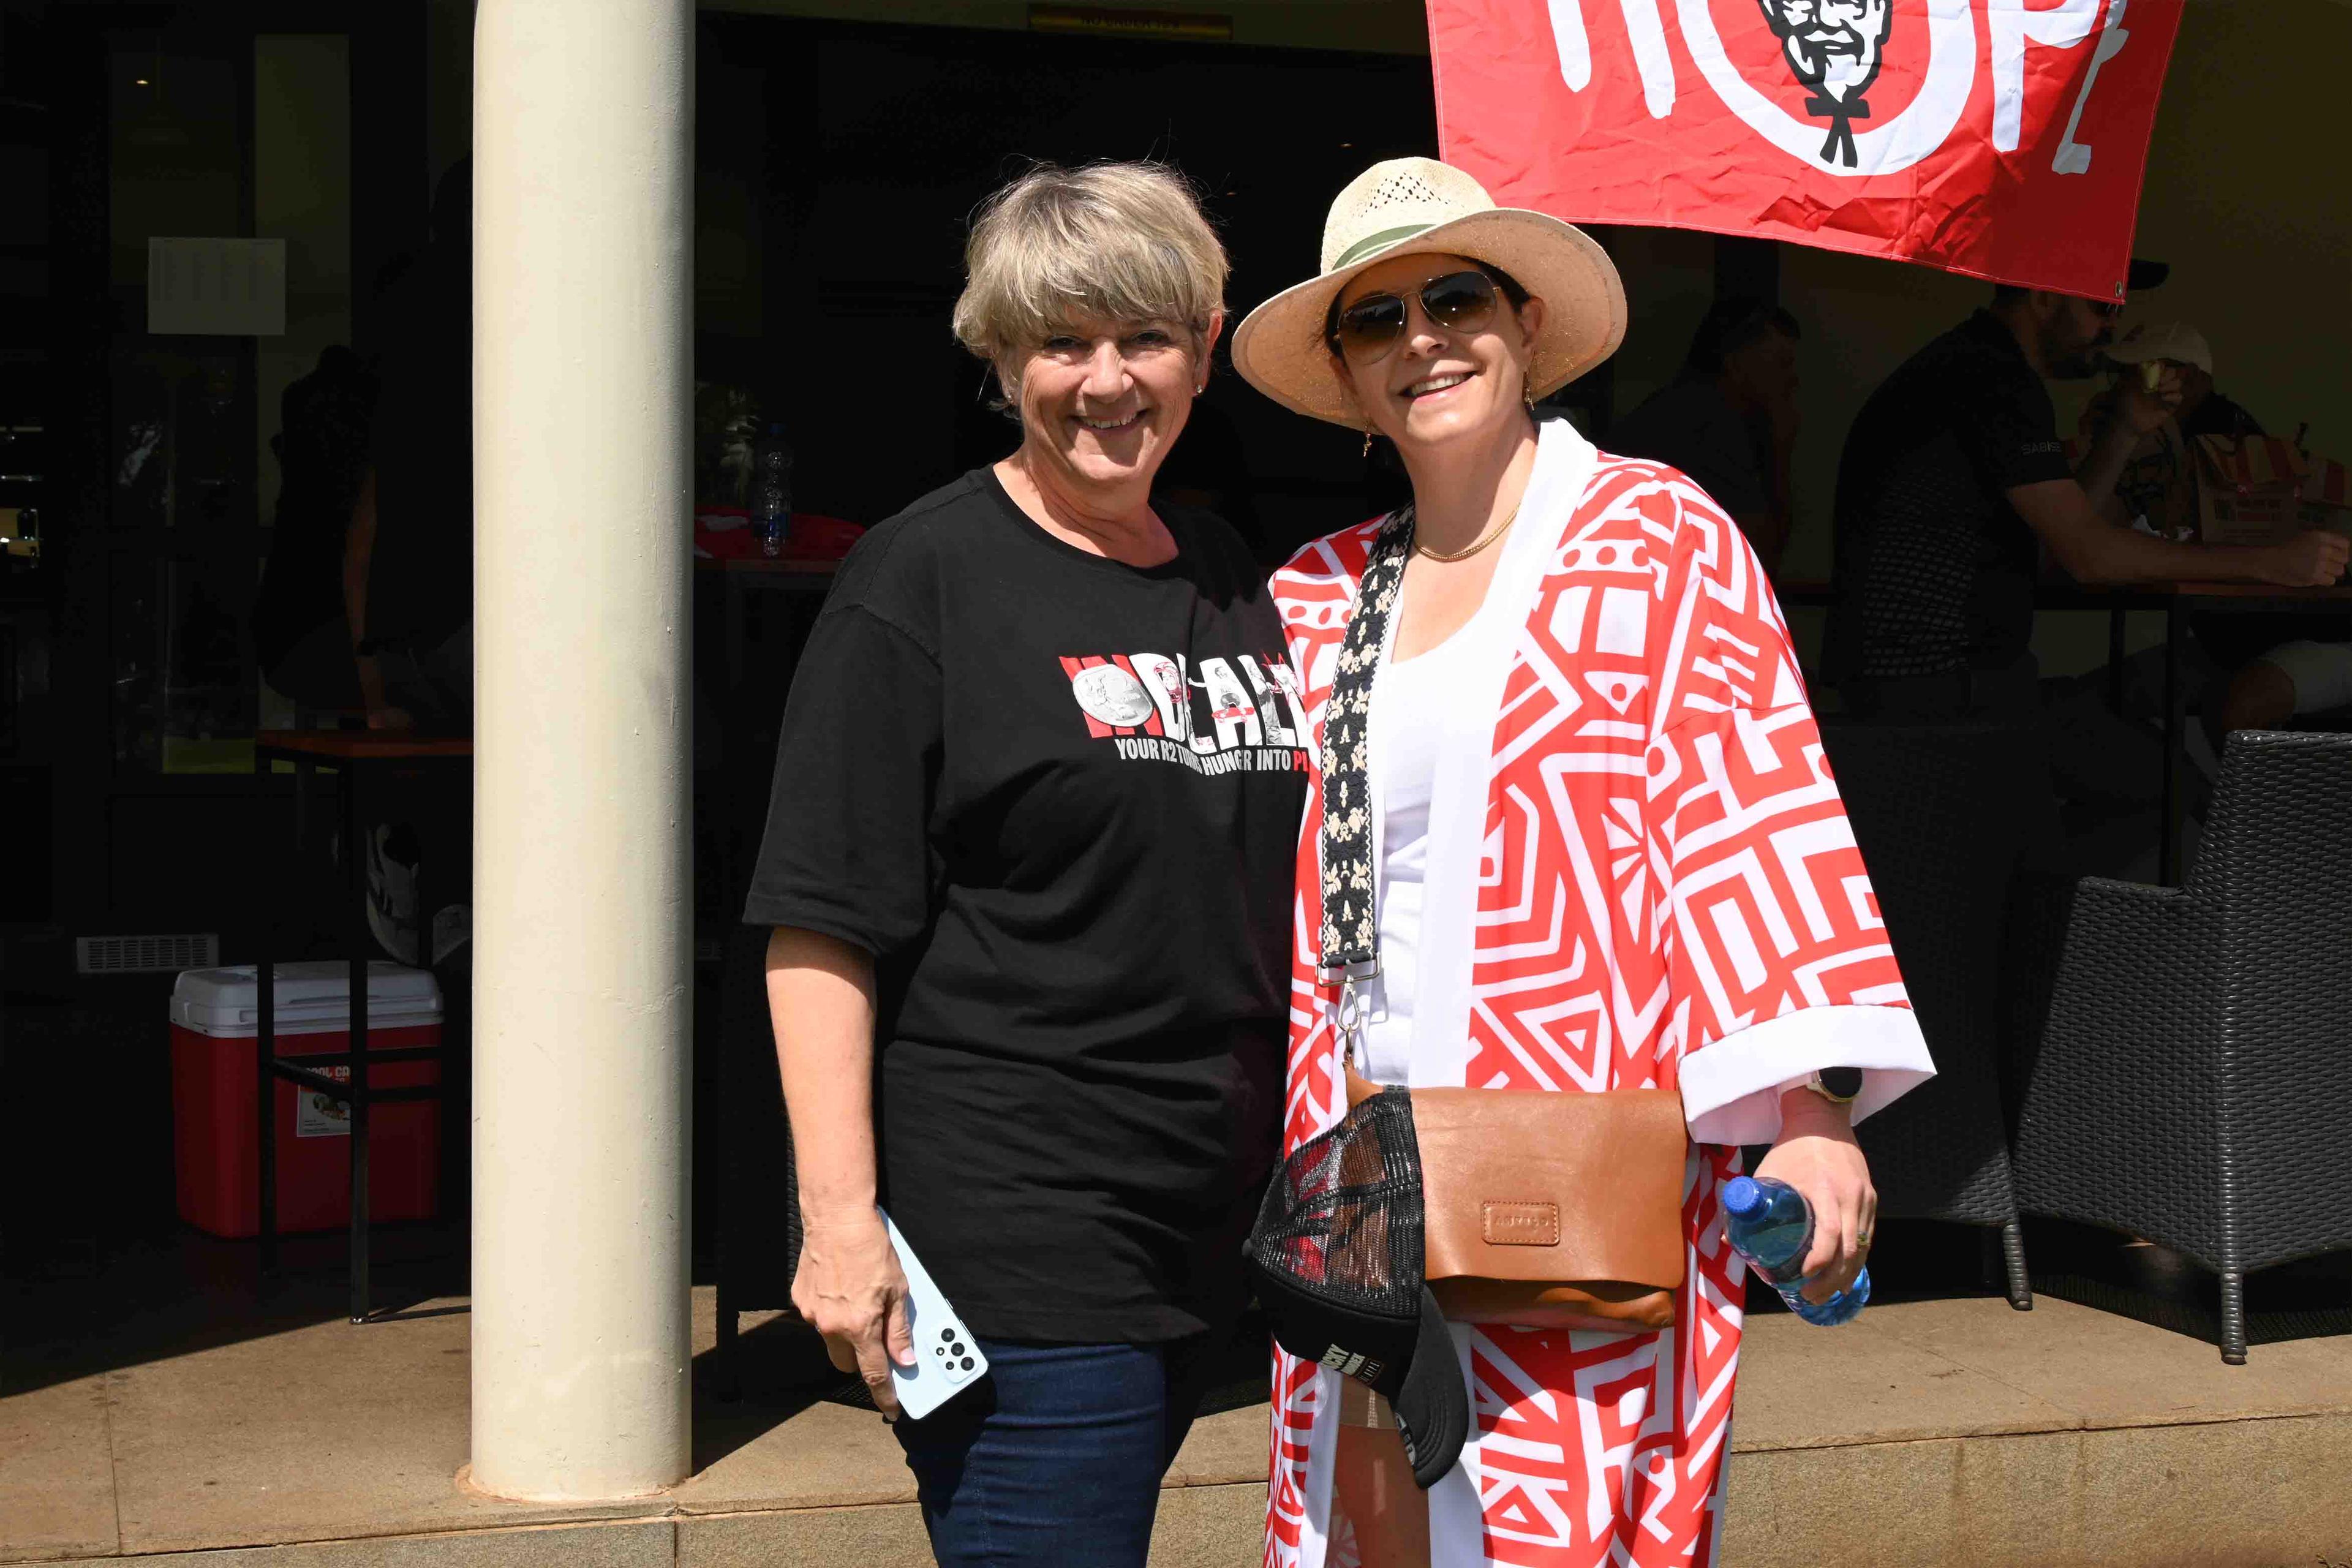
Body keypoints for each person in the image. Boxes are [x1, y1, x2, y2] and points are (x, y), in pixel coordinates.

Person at [1231, 156, 1934, 1568]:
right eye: (1376, 319)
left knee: (1563, 1519)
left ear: (1525, 324)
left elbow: (1754, 809)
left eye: (1454, 298)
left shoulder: (1656, 538)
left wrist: (1809, 1101)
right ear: (1349, 379)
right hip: (1363, 1170)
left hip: (1577, 1147)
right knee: (1368, 1532)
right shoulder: (1309, 594)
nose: (1421, 337)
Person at [745, 162, 1303, 1568]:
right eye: (1062, 342)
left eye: (1144, 337)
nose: (1106, 380)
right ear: (1001, 360)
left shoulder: (1231, 569)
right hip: (1010, 1234)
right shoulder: (918, 579)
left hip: (1202, 1227)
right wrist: (839, 1225)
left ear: (1206, 344)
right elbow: (819, 923)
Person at [2090, 323, 2352, 738]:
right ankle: (2192, 801)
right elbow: (2093, 536)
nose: (2123, 387)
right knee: (2108, 701)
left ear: (2189, 378)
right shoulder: (2163, 434)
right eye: (2120, 375)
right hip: (2237, 641)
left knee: (2231, 708)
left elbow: (2128, 534)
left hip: (2304, 634)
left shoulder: (2220, 444)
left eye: (2139, 373)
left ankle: (2228, 804)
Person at [1608, 294, 1802, 573]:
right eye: (1782, 362)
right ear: (1735, 360)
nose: (1793, 378)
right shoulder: (1709, 422)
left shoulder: (1687, 406)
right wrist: (1781, 453)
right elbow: (1757, 564)